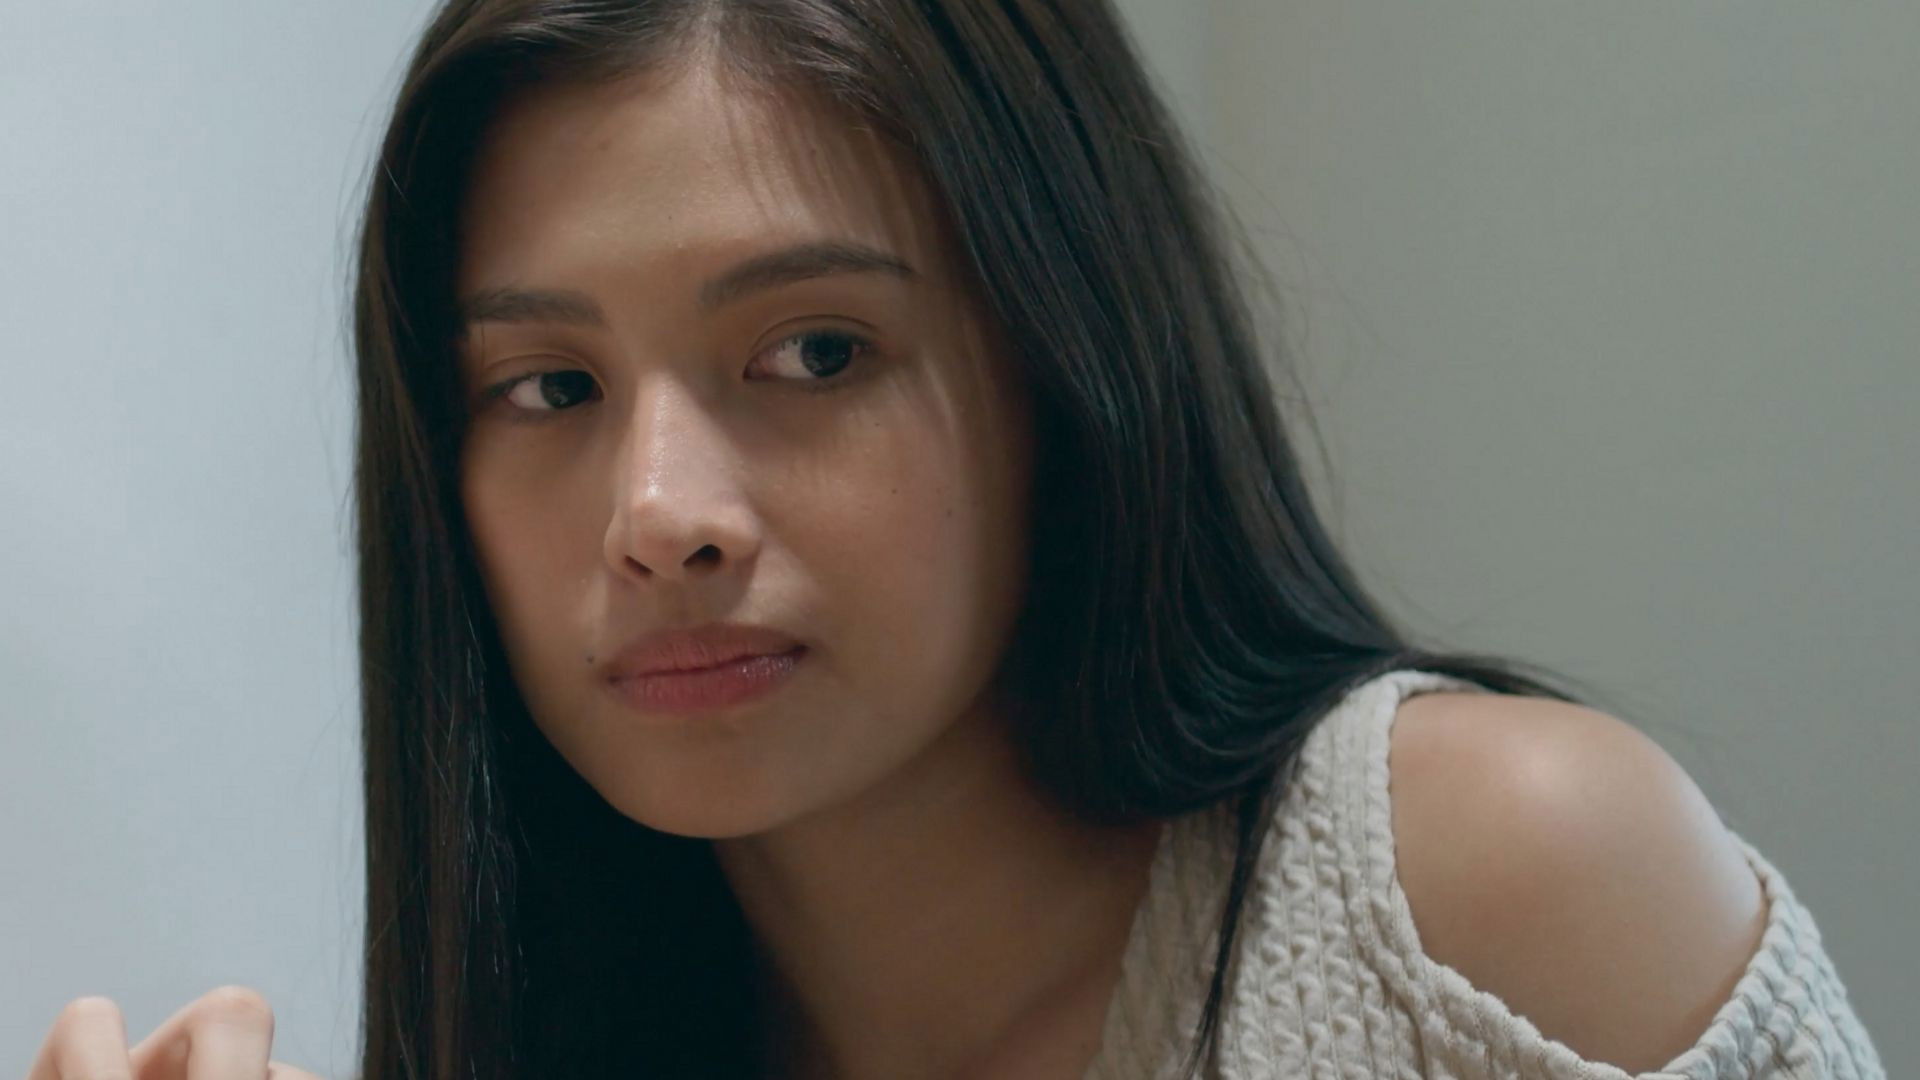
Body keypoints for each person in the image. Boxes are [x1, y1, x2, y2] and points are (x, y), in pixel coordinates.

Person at [27, 1, 1885, 1078]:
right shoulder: (564, 1021)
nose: (661, 512)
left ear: (1066, 365)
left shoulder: (1483, 897)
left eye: (815, 352)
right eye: (547, 387)